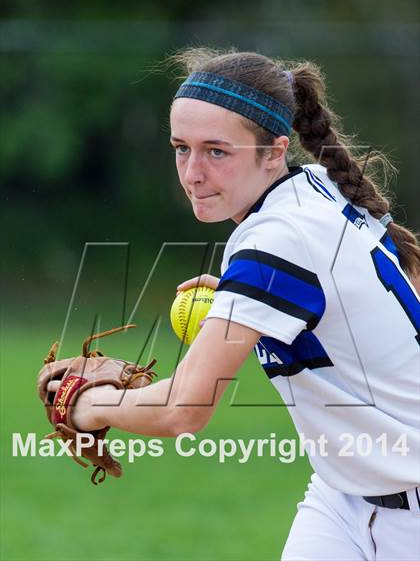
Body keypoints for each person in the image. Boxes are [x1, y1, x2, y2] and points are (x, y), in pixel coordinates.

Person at [47, 48, 420, 560]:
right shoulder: (313, 189)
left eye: (216, 151)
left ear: (274, 152)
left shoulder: (275, 237)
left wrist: (84, 405)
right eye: (182, 148)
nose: (193, 172)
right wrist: (243, 301)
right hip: (343, 495)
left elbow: (185, 410)